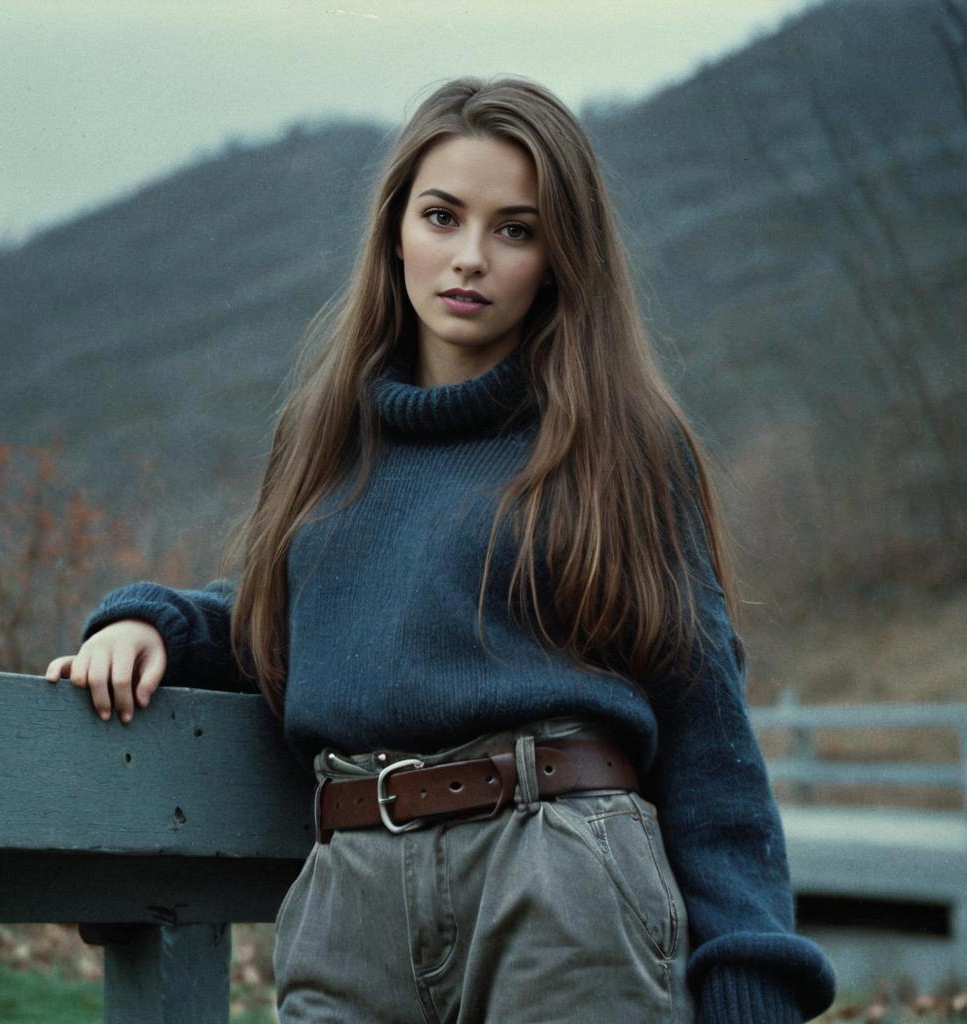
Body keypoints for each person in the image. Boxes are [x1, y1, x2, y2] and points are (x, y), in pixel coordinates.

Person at [45, 76, 836, 1023]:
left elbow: (709, 733)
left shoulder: (621, 443)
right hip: (351, 904)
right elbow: (293, 611)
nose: (468, 257)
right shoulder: (325, 438)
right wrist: (155, 622)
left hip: (565, 886)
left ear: (559, 257)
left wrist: (751, 986)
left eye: (514, 229)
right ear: (394, 231)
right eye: (441, 216)